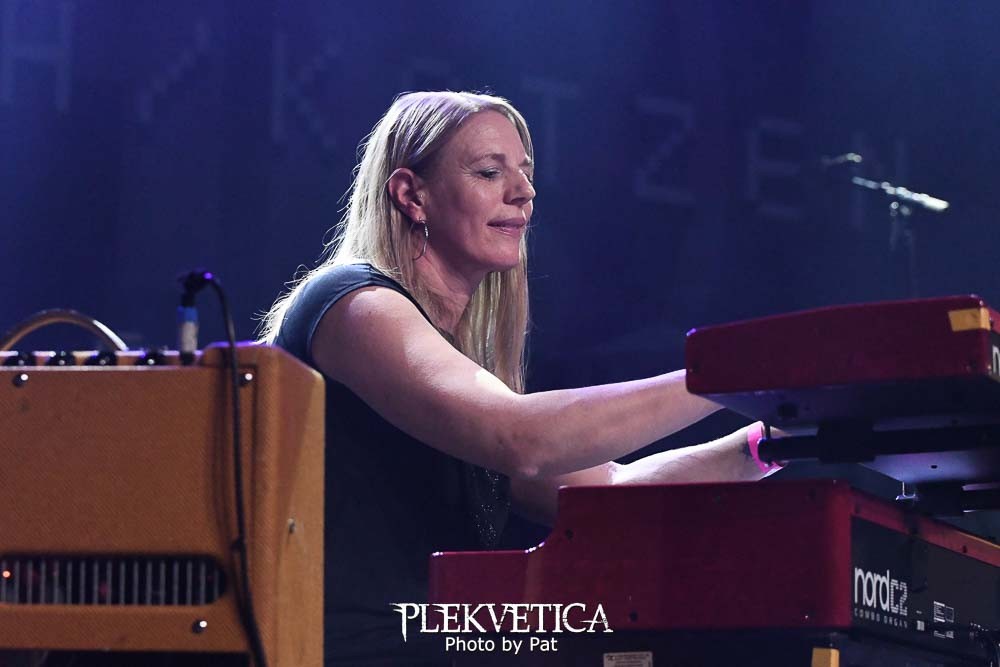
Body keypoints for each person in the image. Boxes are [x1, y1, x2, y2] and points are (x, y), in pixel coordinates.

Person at [259, 91, 776, 665]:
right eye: (489, 172)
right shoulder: (354, 303)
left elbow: (610, 492)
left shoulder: (454, 364)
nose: (524, 192)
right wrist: (728, 373)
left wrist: (771, 440)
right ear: (411, 196)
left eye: (525, 173)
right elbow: (524, 438)